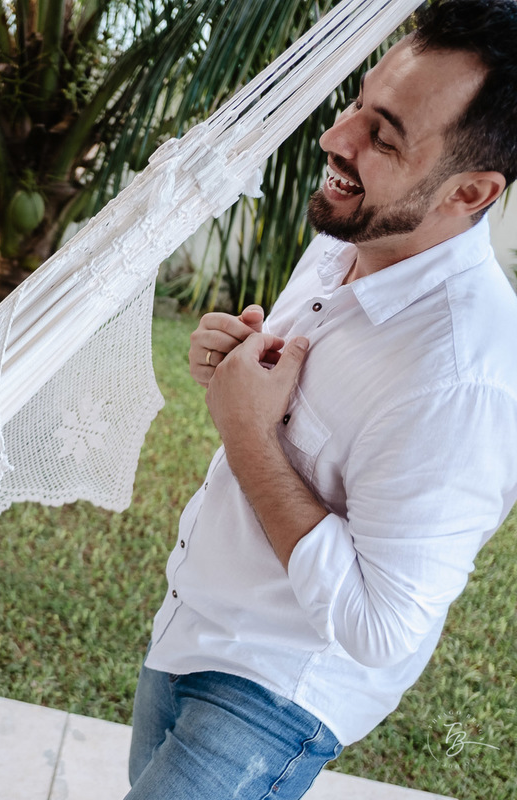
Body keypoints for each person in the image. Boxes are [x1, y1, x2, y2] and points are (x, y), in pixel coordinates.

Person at [126, 1, 517, 797]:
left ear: (471, 191)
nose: (336, 138)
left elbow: (381, 626)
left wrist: (247, 432)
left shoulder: (466, 379)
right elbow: (289, 414)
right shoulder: (354, 235)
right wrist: (233, 365)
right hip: (190, 624)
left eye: (385, 137)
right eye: (358, 105)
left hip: (270, 696)